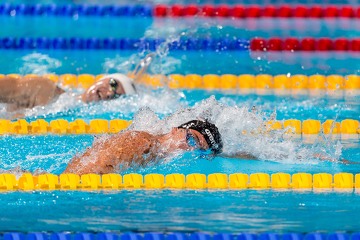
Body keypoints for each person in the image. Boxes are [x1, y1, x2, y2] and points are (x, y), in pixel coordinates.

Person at [0, 53, 155, 111]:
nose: (108, 93)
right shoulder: (45, 88)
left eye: (116, 96)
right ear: (102, 78)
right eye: (113, 84)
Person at [63, 119, 223, 175]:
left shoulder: (156, 153)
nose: (192, 149)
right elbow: (93, 170)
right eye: (192, 140)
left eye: (200, 150)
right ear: (176, 130)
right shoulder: (143, 143)